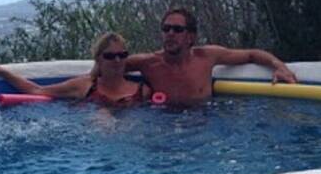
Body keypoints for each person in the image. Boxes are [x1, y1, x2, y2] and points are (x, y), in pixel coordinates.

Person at [126, 7, 297, 105]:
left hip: (204, 125)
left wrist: (280, 67)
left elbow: (252, 54)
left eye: (177, 30)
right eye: (166, 29)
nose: (170, 33)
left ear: (190, 36)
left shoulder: (206, 57)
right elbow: (110, 63)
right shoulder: (148, 63)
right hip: (164, 125)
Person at [0, 32, 149, 108]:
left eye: (122, 55)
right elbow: (37, 90)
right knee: (102, 117)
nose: (117, 60)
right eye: (110, 56)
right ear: (99, 60)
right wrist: (2, 72)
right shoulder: (84, 86)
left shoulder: (143, 91)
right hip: (97, 139)